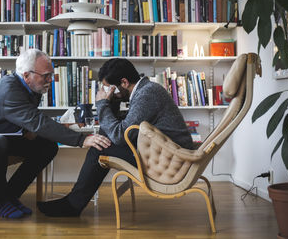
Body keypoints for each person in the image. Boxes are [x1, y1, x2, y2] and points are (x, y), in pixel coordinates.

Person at [0, 49, 111, 219]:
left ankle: (10, 195)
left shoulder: (30, 89)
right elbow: (38, 122)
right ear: (27, 75)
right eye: (46, 76)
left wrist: (27, 130)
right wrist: (82, 139)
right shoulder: (9, 90)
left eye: (51, 75)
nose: (50, 80)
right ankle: (1, 200)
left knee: (47, 146)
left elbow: (26, 120)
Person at [37, 58, 194, 217]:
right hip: (165, 153)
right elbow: (122, 129)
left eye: (110, 87)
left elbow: (119, 135)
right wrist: (112, 102)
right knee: (103, 140)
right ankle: (73, 202)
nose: (109, 92)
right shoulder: (146, 90)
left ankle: (72, 204)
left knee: (99, 148)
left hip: (172, 160)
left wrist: (102, 104)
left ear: (124, 82)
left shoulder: (147, 94)